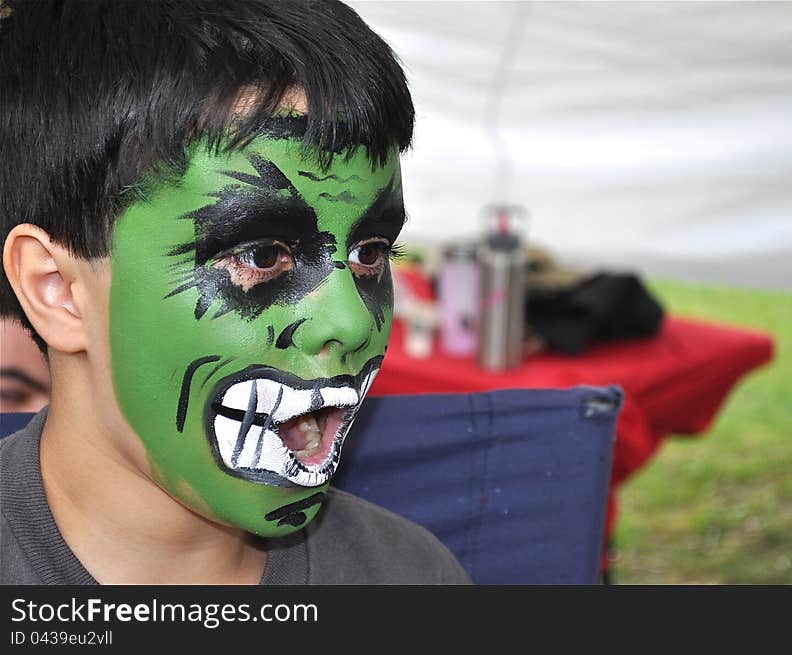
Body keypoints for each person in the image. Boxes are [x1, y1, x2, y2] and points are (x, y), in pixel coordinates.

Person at [0, 0, 470, 585]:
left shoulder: (410, 578)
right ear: (57, 290)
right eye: (262, 256)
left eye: (370, 252)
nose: (351, 322)